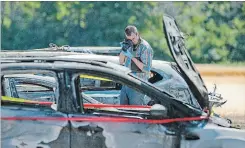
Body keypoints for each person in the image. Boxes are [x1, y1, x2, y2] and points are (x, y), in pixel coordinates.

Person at [119, 25, 153, 105]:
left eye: (133, 39)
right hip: (126, 83)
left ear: (137, 34)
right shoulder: (128, 45)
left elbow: (146, 69)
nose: (131, 41)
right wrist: (123, 51)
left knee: (136, 112)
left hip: (138, 86)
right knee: (123, 112)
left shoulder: (145, 48)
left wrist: (132, 57)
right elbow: (121, 62)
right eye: (129, 39)